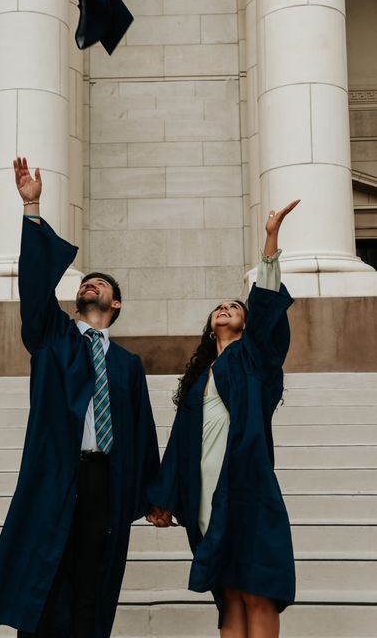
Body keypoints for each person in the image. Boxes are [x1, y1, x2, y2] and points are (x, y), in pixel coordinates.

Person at [0, 157, 160, 638]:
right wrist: (31, 207)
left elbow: (142, 432)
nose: (89, 283)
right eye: (84, 281)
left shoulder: (127, 364)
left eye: (101, 283)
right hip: (57, 469)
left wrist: (155, 494)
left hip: (104, 476)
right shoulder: (52, 335)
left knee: (92, 575)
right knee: (46, 567)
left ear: (115, 303)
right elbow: (35, 290)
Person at [146, 200, 300, 638]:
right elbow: (179, 443)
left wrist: (270, 241)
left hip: (248, 486)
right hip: (206, 493)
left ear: (249, 325)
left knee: (258, 588)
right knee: (228, 593)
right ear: (210, 326)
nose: (225, 308)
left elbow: (268, 309)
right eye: (219, 307)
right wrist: (164, 496)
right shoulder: (197, 381)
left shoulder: (255, 361)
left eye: (235, 307)